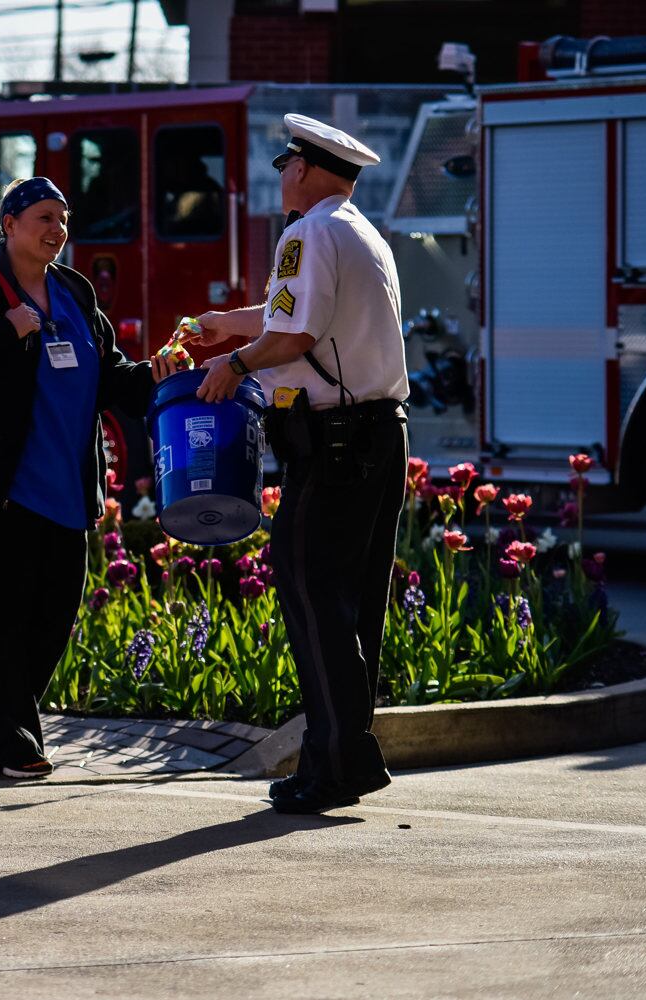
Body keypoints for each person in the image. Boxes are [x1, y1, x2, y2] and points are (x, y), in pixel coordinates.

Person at [0, 177, 177, 778]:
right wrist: (7, 329)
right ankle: (10, 741)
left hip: (67, 489)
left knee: (52, 621)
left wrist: (155, 375)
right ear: (8, 224)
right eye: (43, 217)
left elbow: (109, 375)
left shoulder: (74, 290)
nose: (57, 229)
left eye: (63, 218)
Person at [187, 114, 411, 814]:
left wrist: (233, 363)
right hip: (377, 434)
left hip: (337, 441)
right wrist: (232, 322)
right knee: (350, 607)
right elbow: (294, 317)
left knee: (313, 599)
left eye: (286, 163)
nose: (279, 174)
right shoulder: (356, 230)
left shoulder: (306, 232)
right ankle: (333, 757)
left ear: (307, 169)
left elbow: (299, 335)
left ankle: (340, 764)